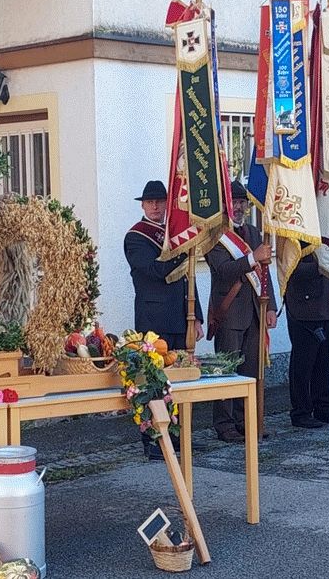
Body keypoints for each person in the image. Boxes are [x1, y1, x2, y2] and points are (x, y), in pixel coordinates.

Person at [124, 180, 203, 459]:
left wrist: (197, 317)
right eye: (150, 202)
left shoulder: (174, 234)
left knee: (179, 382)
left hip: (181, 317)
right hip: (153, 320)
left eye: (160, 201)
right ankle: (154, 440)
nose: (156, 206)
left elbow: (187, 280)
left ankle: (179, 437)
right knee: (153, 384)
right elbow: (154, 271)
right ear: (143, 205)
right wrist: (181, 252)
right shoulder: (135, 237)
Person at [205, 181, 276, 442]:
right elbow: (223, 271)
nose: (238, 207)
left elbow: (265, 273)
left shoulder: (255, 233)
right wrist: (252, 258)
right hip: (230, 312)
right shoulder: (214, 235)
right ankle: (224, 424)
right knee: (226, 372)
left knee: (250, 372)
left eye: (242, 202)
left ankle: (248, 421)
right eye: (233, 202)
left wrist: (272, 308)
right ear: (225, 205)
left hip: (256, 311)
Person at [284, 253, 329, 428]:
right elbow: (292, 269)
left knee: (325, 363)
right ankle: (301, 412)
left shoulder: (325, 234)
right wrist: (324, 266)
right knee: (303, 367)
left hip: (327, 307)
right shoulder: (296, 232)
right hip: (304, 308)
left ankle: (324, 407)